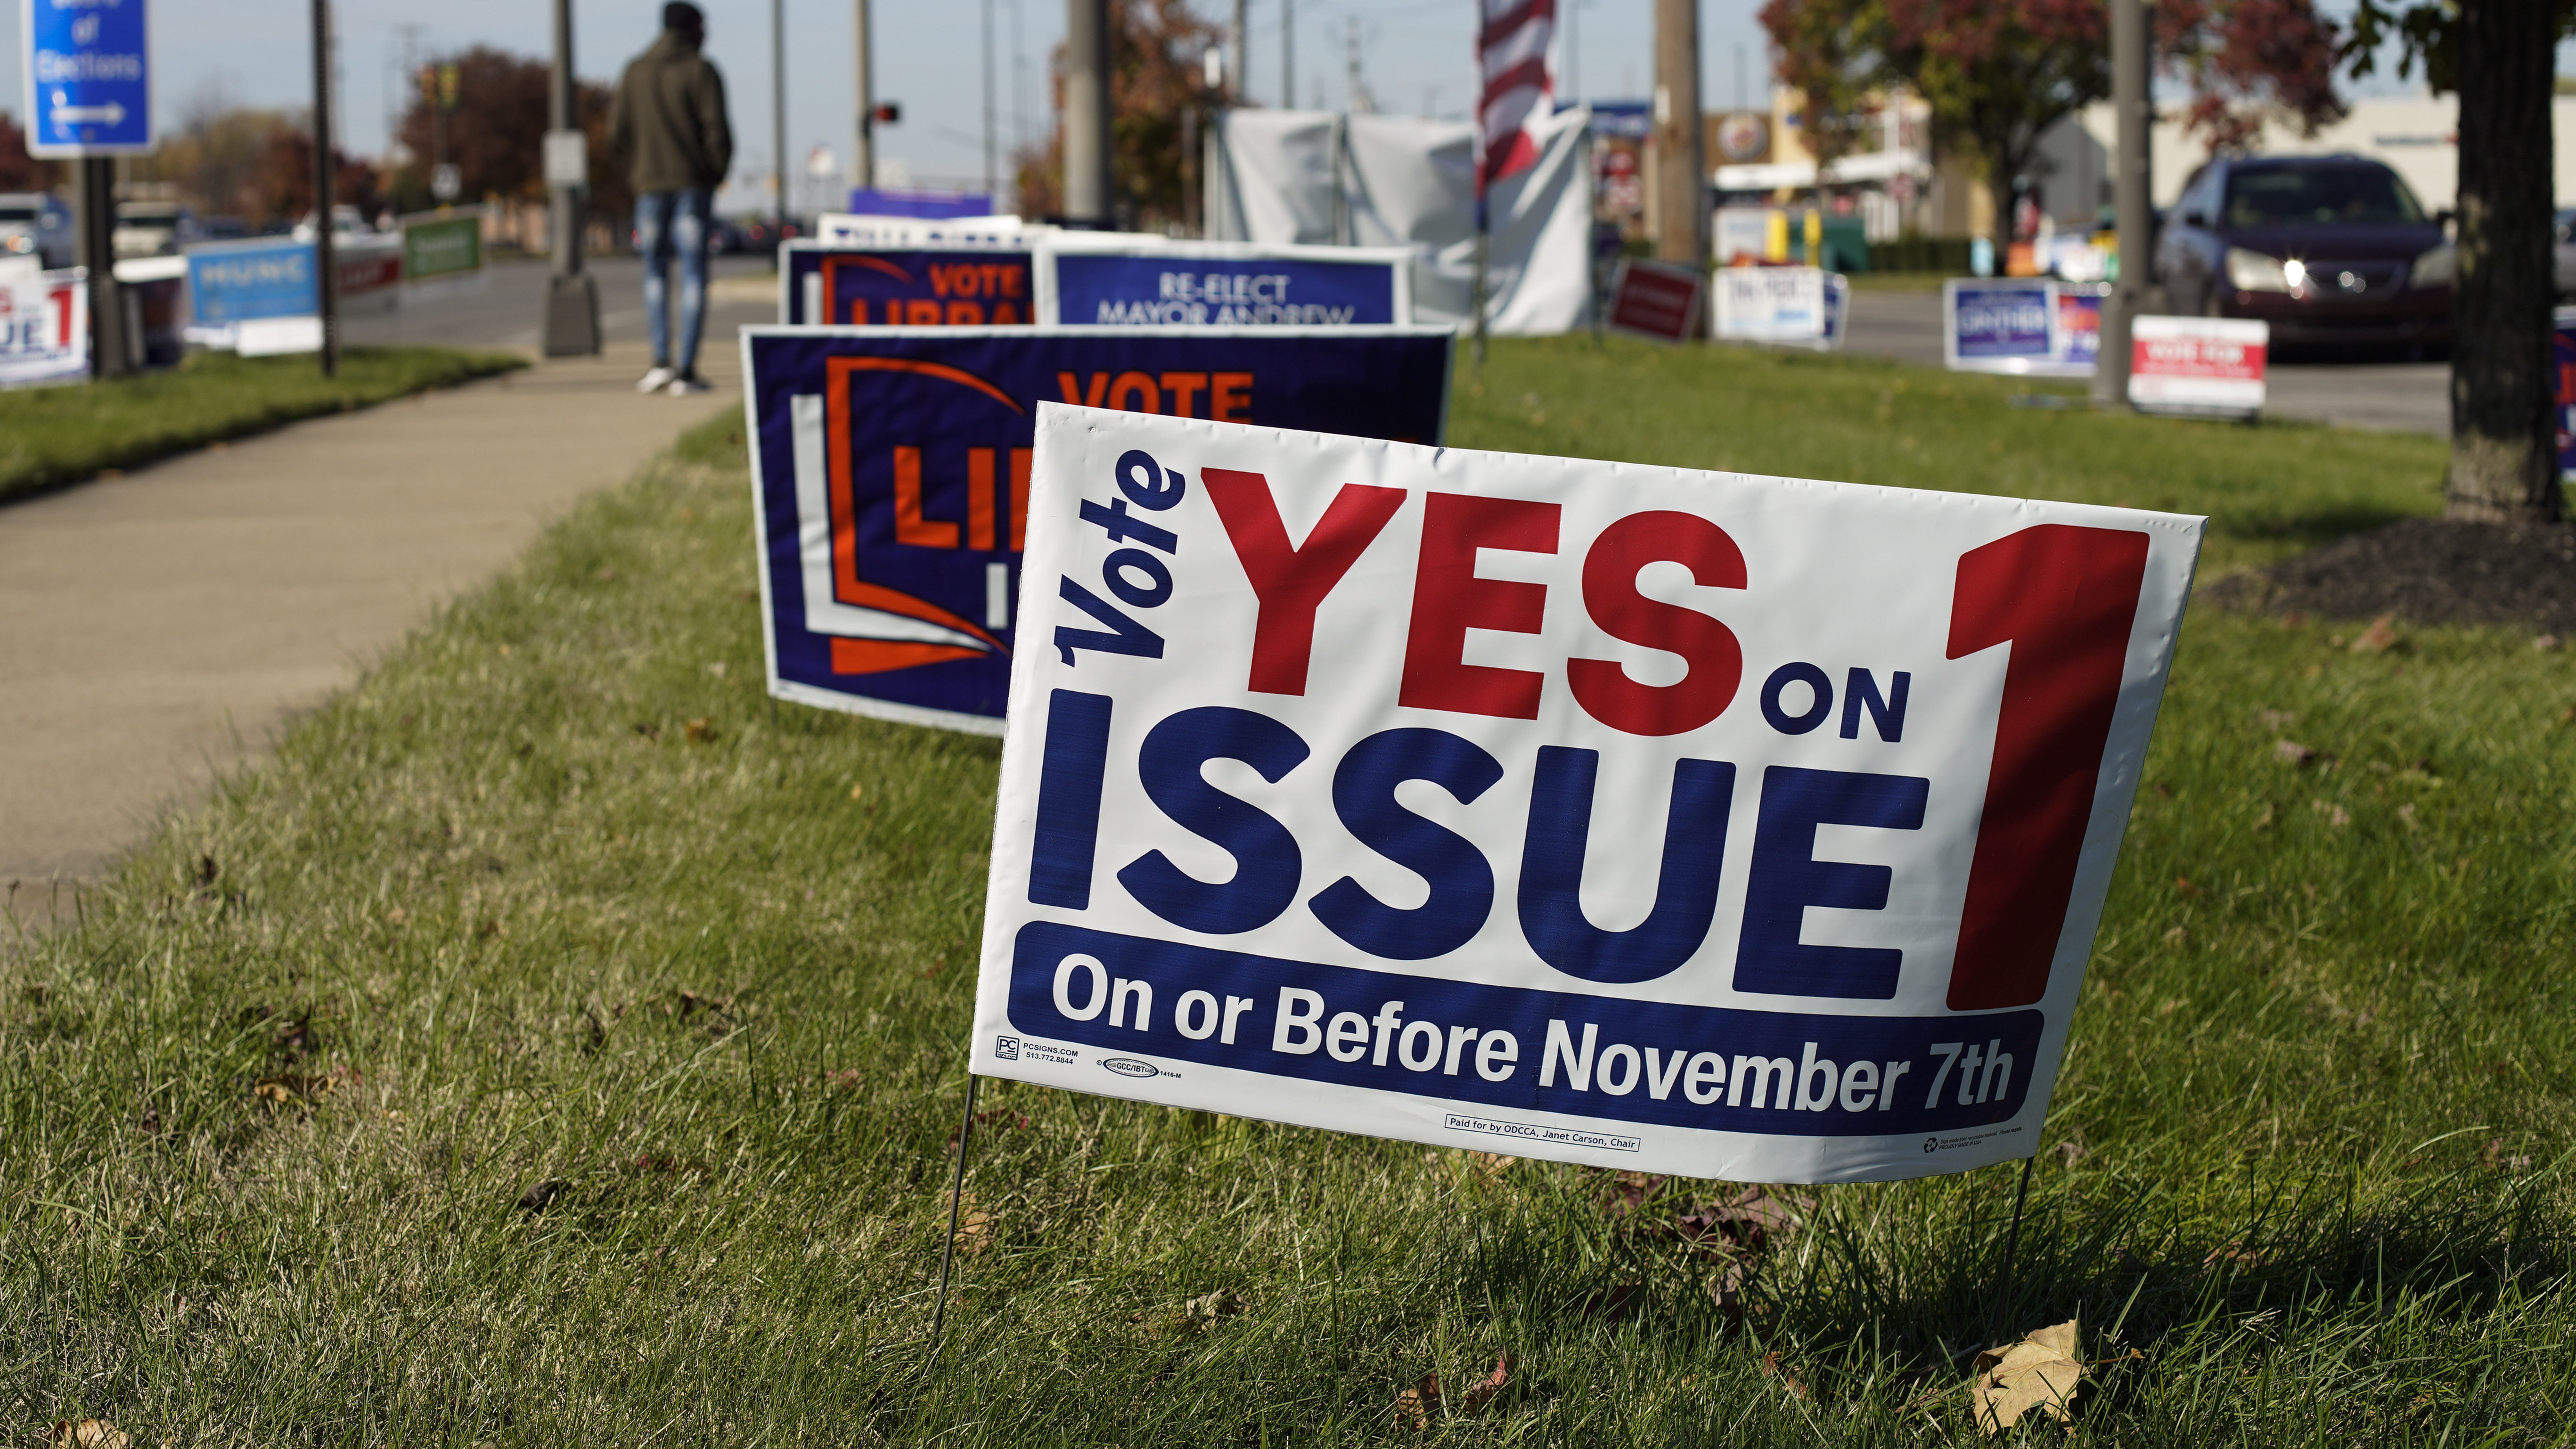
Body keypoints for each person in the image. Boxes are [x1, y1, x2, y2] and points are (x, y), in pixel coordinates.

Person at [611, 2, 733, 396]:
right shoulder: (701, 71)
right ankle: (686, 371)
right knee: (695, 273)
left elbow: (616, 134)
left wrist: (637, 172)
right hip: (692, 186)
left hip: (649, 186)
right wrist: (713, 174)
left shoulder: (635, 72)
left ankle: (660, 361)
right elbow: (718, 131)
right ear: (692, 28)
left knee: (655, 272)